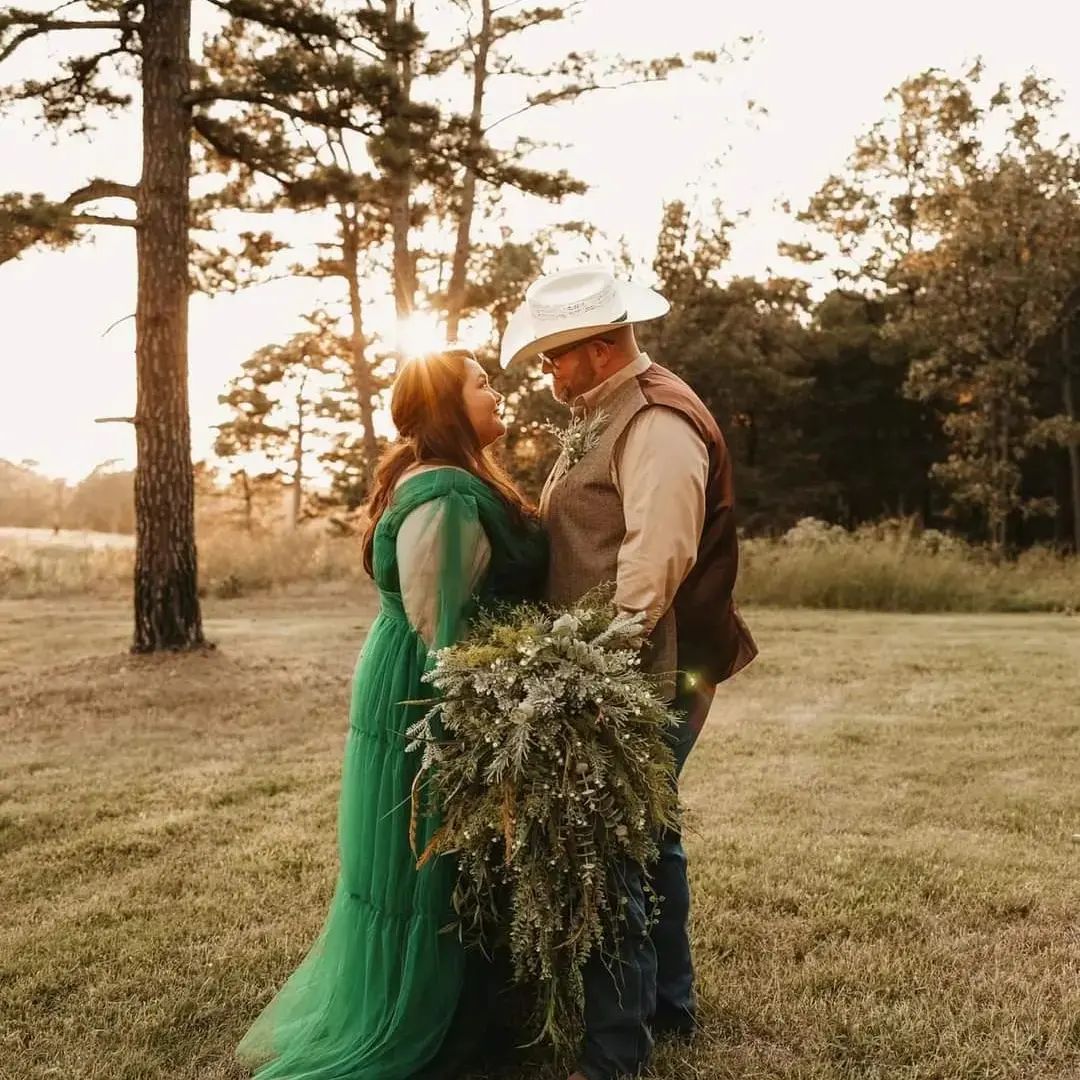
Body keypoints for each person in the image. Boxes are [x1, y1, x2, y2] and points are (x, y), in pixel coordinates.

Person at [237, 349, 547, 1079]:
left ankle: (471, 1006)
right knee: (432, 848)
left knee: (441, 849)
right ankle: (435, 1020)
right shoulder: (443, 493)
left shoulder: (451, 480)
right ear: (448, 408)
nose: (496, 391)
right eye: (481, 384)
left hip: (409, 670)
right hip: (429, 688)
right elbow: (441, 623)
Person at [501, 266, 758, 1080]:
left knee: (609, 847)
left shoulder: (654, 420)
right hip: (632, 665)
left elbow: (657, 556)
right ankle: (667, 1009)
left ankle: (613, 1055)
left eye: (557, 357)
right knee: (654, 839)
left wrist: (593, 663)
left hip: (650, 667)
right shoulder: (606, 410)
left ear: (604, 345)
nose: (549, 373)